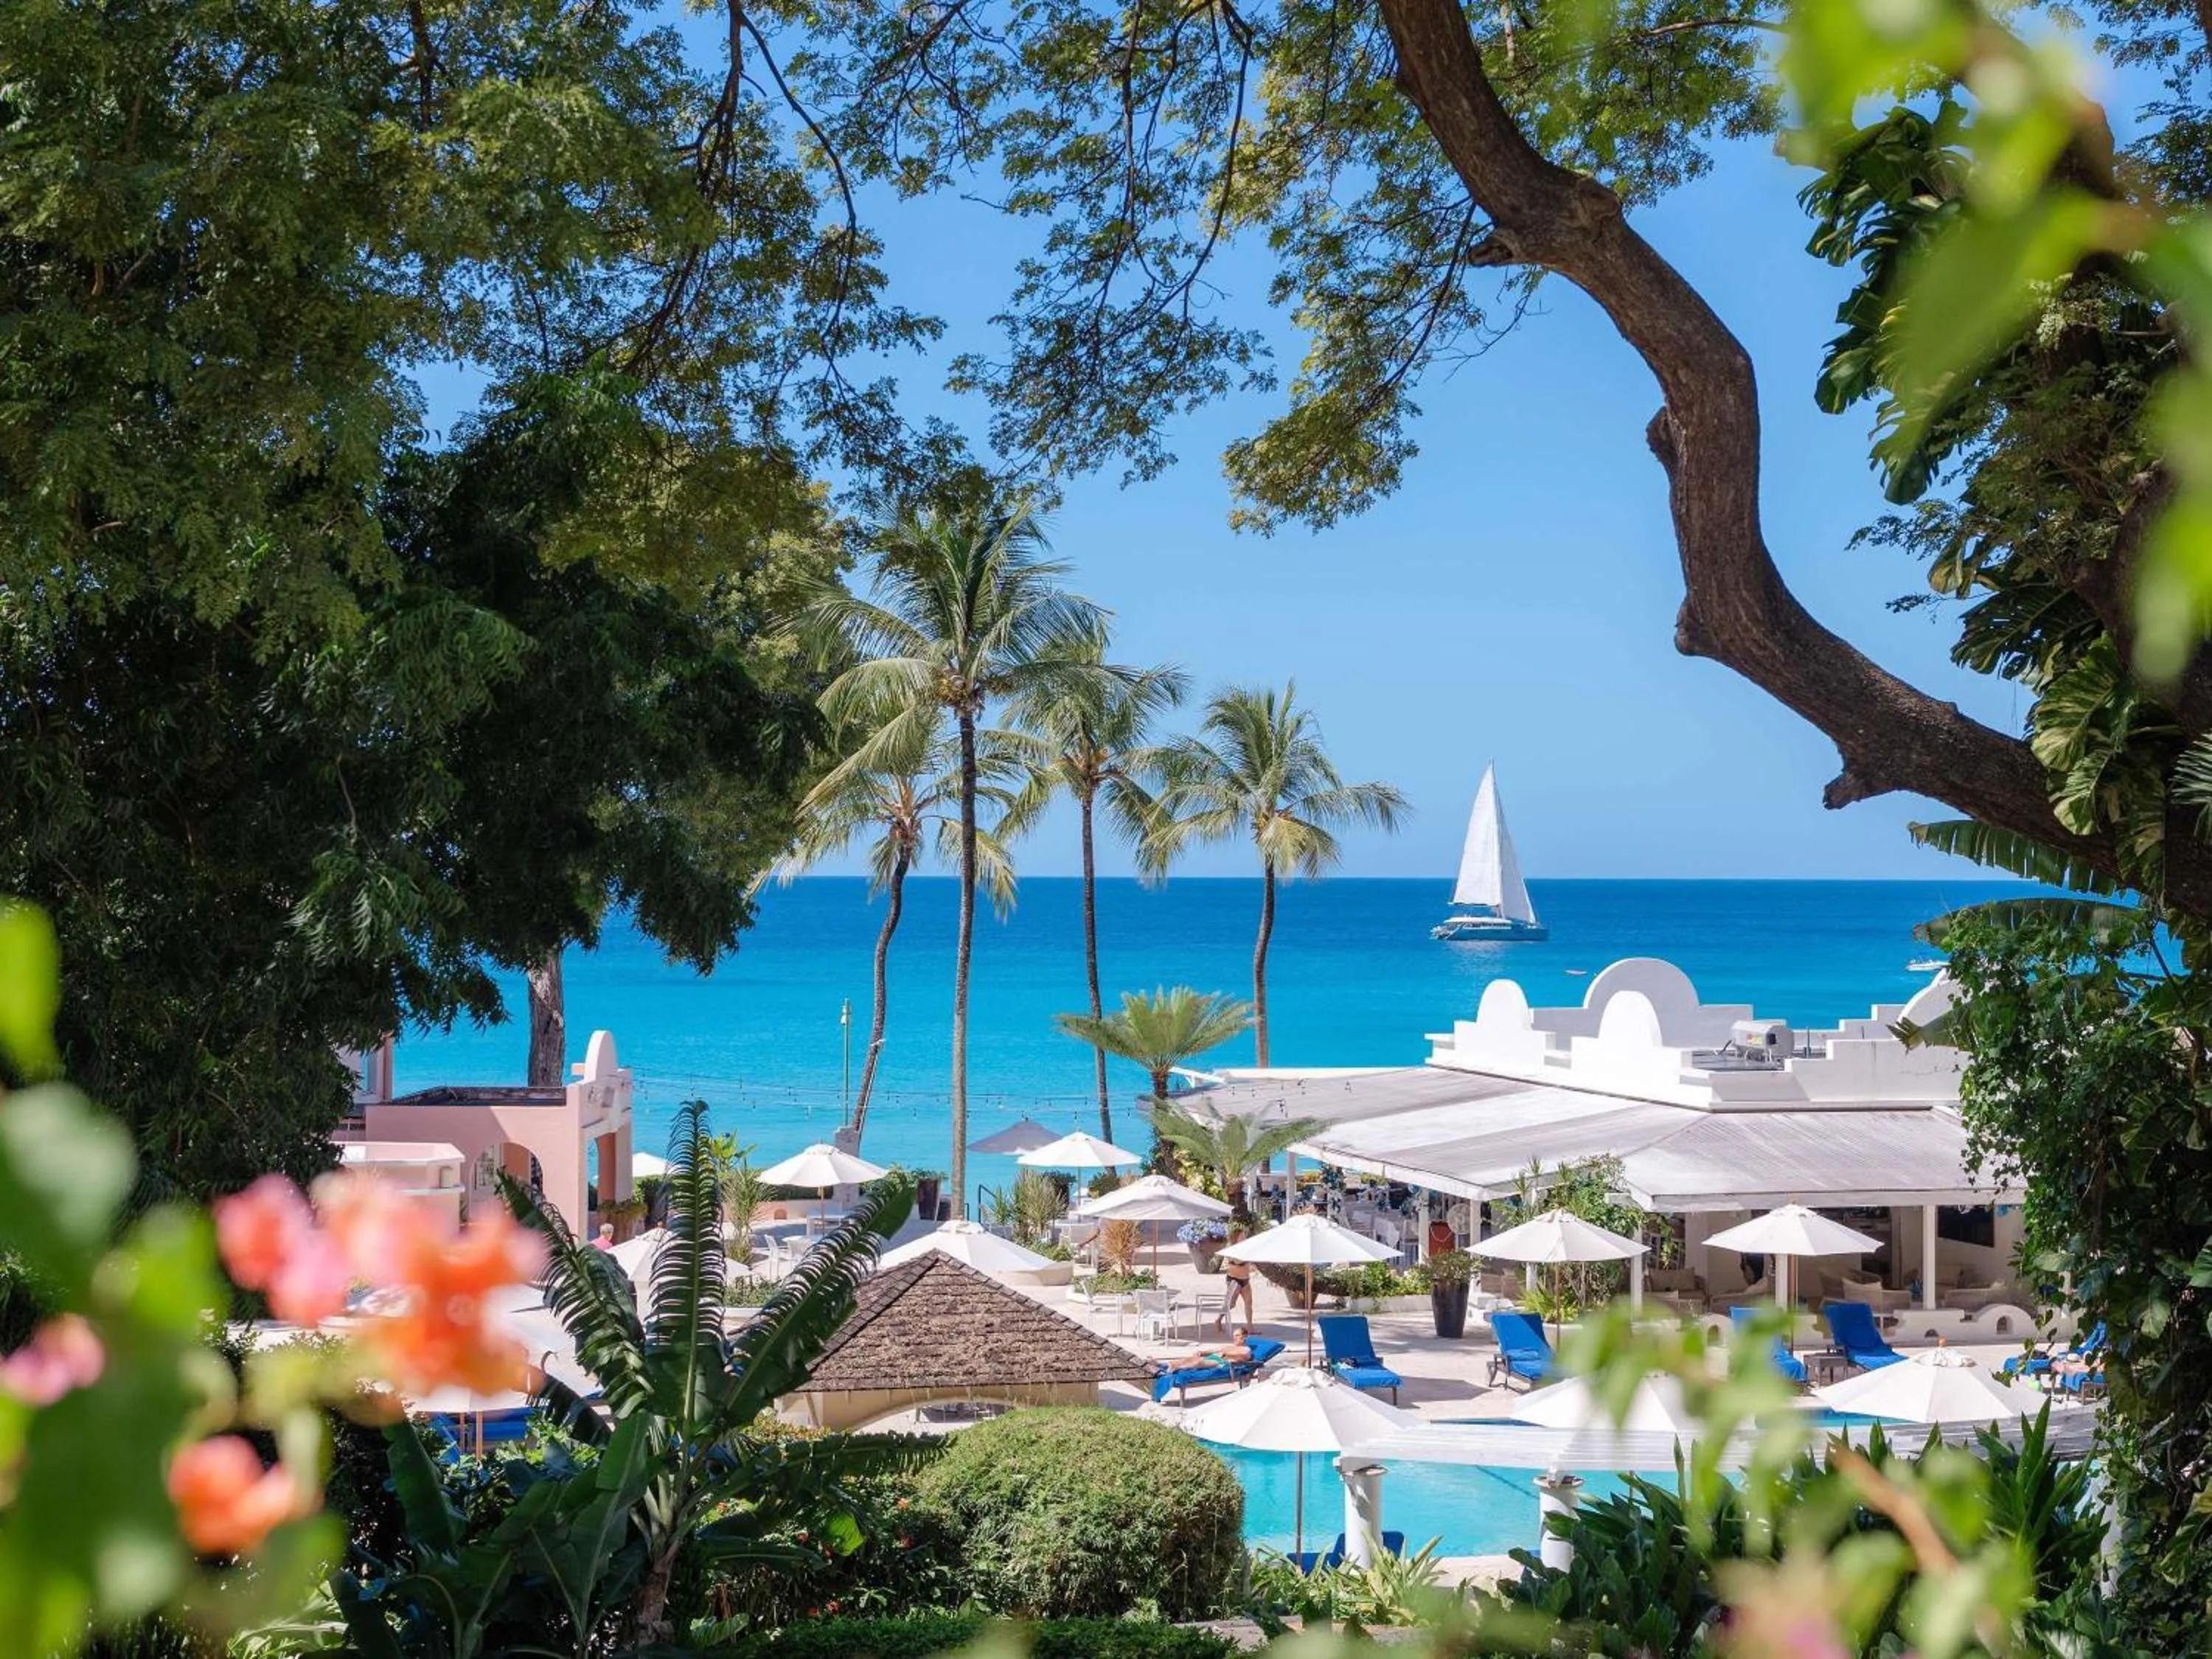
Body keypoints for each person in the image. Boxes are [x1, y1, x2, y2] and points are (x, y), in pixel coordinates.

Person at [1217, 1224, 1256, 1332]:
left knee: (1249, 1303)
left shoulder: (1246, 1249)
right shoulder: (1231, 1249)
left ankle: (1250, 1327)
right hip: (1234, 1279)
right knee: (1231, 1304)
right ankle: (1219, 1319)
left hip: (1245, 1279)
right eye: (1242, 1236)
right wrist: (1247, 1258)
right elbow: (1238, 1262)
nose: (1244, 1238)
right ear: (1236, 1238)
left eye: (1245, 1236)